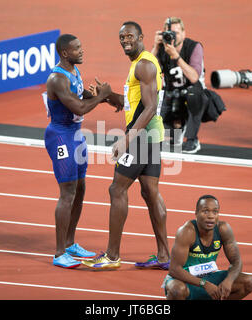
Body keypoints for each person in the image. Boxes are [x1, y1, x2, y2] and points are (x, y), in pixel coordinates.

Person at [82, 21, 170, 270]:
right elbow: (136, 104)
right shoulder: (141, 64)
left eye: (129, 36)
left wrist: (127, 138)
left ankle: (112, 256)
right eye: (121, 37)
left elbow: (150, 107)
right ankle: (164, 256)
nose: (124, 40)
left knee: (116, 189)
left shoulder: (143, 64)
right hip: (151, 137)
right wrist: (106, 96)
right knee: (151, 194)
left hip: (141, 137)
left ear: (141, 36)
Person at [44, 34, 111, 268]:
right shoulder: (57, 79)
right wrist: (101, 97)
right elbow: (79, 106)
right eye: (77, 49)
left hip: (76, 135)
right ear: (64, 53)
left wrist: (101, 97)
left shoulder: (74, 71)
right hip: (61, 137)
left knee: (80, 188)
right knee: (68, 192)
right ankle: (59, 252)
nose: (82, 51)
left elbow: (81, 97)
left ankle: (71, 242)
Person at [162, 195, 252, 300]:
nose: (211, 216)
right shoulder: (187, 232)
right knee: (177, 290)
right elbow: (174, 270)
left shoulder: (223, 229)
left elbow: (236, 261)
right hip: (186, 281)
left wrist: (228, 281)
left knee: (248, 282)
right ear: (196, 213)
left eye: (215, 212)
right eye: (205, 211)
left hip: (209, 277)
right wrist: (204, 284)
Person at [151, 17, 208, 154]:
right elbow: (147, 71)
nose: (172, 37)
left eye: (175, 33)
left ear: (183, 33)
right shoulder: (162, 48)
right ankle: (176, 128)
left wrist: (176, 56)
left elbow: (194, 77)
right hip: (171, 95)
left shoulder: (194, 47)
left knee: (193, 93)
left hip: (195, 96)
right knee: (150, 95)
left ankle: (192, 139)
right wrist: (155, 47)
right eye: (168, 33)